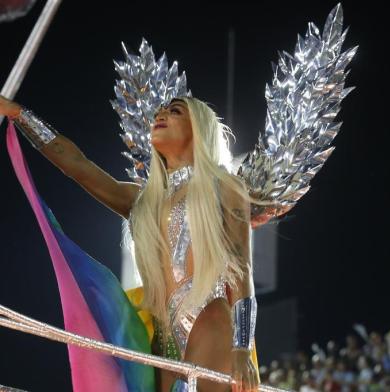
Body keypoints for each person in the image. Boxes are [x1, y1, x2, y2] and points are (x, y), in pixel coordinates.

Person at [0, 94, 261, 392]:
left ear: (199, 128)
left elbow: (241, 270)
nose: (160, 114)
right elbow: (77, 166)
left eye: (174, 111)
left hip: (211, 321)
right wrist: (19, 114)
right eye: (160, 110)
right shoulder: (141, 201)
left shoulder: (224, 188)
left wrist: (241, 347)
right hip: (163, 342)